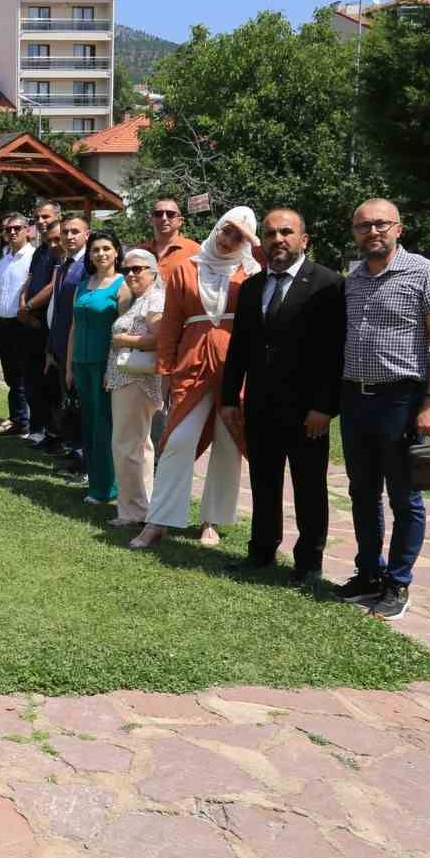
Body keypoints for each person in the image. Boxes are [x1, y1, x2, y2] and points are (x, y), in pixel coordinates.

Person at [335, 198, 430, 620]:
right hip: (355, 399)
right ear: (355, 232)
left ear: (399, 228)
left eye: (381, 224)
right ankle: (369, 572)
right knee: (362, 492)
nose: (373, 232)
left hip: (402, 400)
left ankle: (398, 583)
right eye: (363, 226)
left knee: (405, 496)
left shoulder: (426, 273)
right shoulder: (353, 279)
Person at [218, 209, 345, 584]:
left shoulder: (328, 285)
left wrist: (324, 406)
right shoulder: (253, 288)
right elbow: (239, 347)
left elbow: (334, 352)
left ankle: (308, 562)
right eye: (271, 233)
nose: (278, 240)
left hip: (308, 410)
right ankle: (261, 551)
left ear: (303, 240)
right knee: (264, 481)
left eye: (286, 232)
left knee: (308, 486)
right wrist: (228, 398)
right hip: (260, 404)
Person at [132, 207, 261, 550]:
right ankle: (159, 519)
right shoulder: (185, 269)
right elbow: (172, 323)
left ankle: (211, 520)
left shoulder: (251, 271)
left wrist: (251, 239)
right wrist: (164, 370)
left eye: (237, 234)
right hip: (191, 364)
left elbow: (278, 262)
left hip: (236, 366)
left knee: (228, 441)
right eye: (225, 229)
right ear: (215, 228)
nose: (227, 238)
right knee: (178, 439)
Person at [66, 229, 130, 504]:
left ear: (116, 251)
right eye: (95, 250)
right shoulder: (83, 285)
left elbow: (125, 329)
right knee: (89, 423)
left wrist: (112, 369)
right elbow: (73, 327)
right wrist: (69, 366)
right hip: (81, 364)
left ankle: (106, 489)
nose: (101, 254)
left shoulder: (122, 286)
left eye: (106, 248)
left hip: (106, 365)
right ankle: (96, 479)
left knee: (104, 425)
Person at [107, 249, 166, 527]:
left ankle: (132, 511)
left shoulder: (155, 299)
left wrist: (124, 340)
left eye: (138, 269)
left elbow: (158, 338)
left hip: (136, 380)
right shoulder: (139, 300)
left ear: (153, 272)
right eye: (127, 269)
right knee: (140, 446)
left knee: (126, 445)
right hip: (127, 379)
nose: (130, 274)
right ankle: (143, 505)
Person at [45, 215, 92, 467]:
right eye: (66, 232)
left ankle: (84, 455)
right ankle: (74, 449)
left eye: (75, 231)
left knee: (81, 403)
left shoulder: (89, 264)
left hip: (80, 345)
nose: (69, 236)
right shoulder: (63, 265)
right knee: (69, 402)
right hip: (60, 344)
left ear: (87, 234)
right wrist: (52, 346)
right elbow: (58, 308)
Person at [19, 202, 64, 443]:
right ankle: (37, 428)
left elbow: (52, 285)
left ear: (59, 217)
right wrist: (23, 303)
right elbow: (30, 280)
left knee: (51, 383)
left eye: (45, 216)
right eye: (36, 217)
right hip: (31, 323)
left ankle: (53, 432)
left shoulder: (59, 249)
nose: (41, 221)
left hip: (48, 325)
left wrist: (28, 307)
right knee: (33, 378)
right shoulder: (40, 250)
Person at [0, 213, 35, 434]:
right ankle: (17, 418)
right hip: (5, 322)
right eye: (8, 229)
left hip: (23, 323)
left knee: (23, 375)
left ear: (28, 230)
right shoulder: (4, 258)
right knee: (10, 375)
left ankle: (26, 422)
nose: (12, 232)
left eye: (17, 228)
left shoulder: (32, 257)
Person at [146, 197, 200, 275]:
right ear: (151, 220)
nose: (164, 218)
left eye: (170, 214)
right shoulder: (140, 251)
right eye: (158, 214)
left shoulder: (195, 251)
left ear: (180, 221)